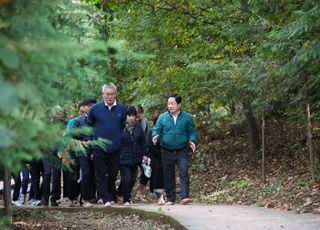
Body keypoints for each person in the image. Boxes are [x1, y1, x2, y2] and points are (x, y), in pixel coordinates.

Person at [152, 93, 197, 205]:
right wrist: (155, 136)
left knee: (183, 171)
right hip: (166, 150)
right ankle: (171, 198)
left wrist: (192, 140)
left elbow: (192, 131)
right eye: (168, 104)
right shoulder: (162, 117)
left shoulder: (187, 117)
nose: (170, 106)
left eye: (172, 103)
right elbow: (156, 129)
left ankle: (184, 197)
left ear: (179, 104)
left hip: (182, 150)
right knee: (168, 174)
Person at [88, 83, 127, 207]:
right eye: (107, 94)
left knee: (113, 173)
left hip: (115, 146)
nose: (110, 97)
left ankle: (109, 194)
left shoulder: (122, 109)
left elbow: (121, 126)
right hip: (99, 146)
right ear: (103, 95)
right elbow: (90, 125)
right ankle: (105, 199)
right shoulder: (95, 109)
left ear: (116, 94)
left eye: (112, 94)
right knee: (100, 173)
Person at [119, 106, 148, 206]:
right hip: (123, 157)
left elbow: (142, 142)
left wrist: (145, 154)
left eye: (132, 115)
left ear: (135, 116)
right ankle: (126, 199)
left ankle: (122, 194)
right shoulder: (120, 127)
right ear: (125, 116)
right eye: (129, 115)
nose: (131, 118)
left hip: (135, 157)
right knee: (126, 178)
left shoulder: (138, 127)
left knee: (132, 179)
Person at [72, 98, 97, 207]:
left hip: (95, 150)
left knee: (93, 175)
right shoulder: (78, 121)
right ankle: (84, 199)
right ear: (86, 108)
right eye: (90, 108)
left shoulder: (98, 121)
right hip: (82, 151)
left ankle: (91, 197)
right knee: (85, 173)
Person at [147, 110, 165, 205]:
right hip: (155, 159)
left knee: (166, 177)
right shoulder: (151, 132)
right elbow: (150, 146)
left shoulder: (166, 132)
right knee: (157, 178)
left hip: (166, 158)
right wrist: (161, 154)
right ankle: (160, 197)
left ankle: (165, 196)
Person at [135, 104, 149, 201]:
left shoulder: (144, 122)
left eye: (139, 114)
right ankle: (120, 193)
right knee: (129, 174)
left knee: (146, 171)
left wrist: (145, 152)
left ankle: (140, 192)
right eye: (136, 114)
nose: (138, 116)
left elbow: (146, 136)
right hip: (130, 151)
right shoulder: (128, 121)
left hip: (142, 151)